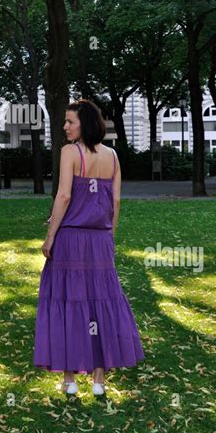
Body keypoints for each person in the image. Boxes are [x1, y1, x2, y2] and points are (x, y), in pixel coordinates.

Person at [33, 98, 145, 396]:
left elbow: (64, 196)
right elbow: (116, 202)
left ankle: (69, 379)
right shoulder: (113, 156)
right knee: (99, 305)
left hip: (70, 239)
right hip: (100, 240)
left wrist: (50, 236)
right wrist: (110, 236)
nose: (65, 127)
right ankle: (98, 379)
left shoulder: (70, 152)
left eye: (70, 122)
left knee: (69, 303)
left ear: (85, 124)